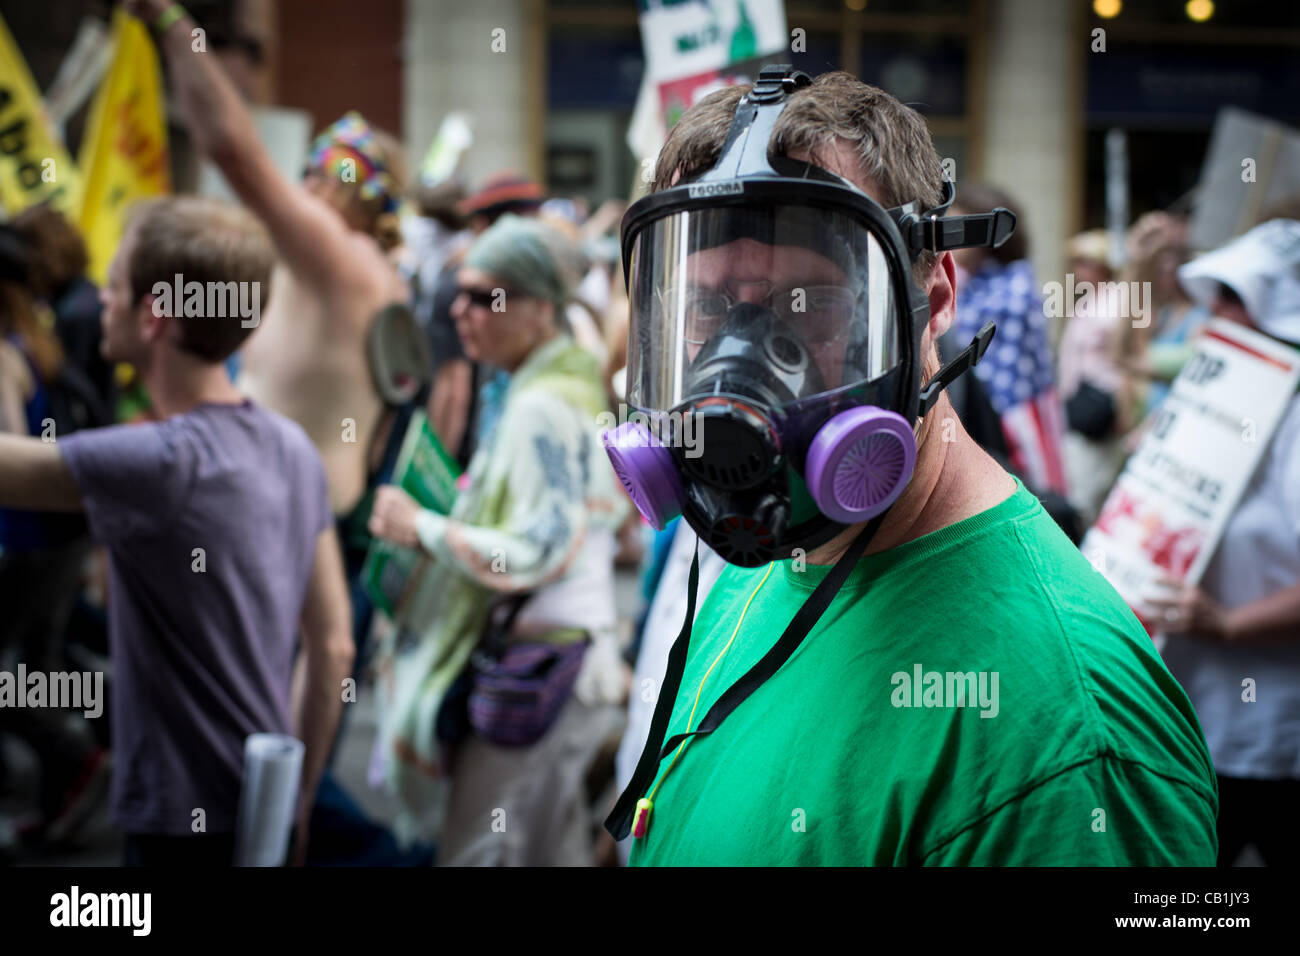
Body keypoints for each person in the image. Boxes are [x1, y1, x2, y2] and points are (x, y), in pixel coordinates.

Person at [603, 67, 1216, 865]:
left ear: (938, 293)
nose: (739, 371)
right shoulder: (773, 558)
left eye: (813, 303)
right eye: (709, 311)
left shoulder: (1064, 737)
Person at [0, 196, 354, 866]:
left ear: (154, 314)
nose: (101, 298)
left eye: (115, 284)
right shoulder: (291, 446)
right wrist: (299, 799)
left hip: (176, 823)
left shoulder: (157, 462)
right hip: (259, 807)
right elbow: (332, 647)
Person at [125, 1, 413, 665]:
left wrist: (170, 21)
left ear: (361, 196)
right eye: (309, 167)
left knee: (248, 710)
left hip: (282, 524)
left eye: (326, 173)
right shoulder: (348, 273)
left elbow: (232, 150)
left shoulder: (344, 261)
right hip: (287, 519)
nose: (306, 182)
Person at [366, 215, 628, 865]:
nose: (460, 310)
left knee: (479, 850)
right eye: (460, 293)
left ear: (540, 308)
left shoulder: (541, 402)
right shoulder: (556, 375)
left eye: (486, 297)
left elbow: (539, 549)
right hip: (567, 661)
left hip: (545, 666)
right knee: (548, 845)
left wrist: (419, 527)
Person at [1149, 217, 1300, 866]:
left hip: (1273, 736)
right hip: (1193, 723)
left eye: (1233, 298)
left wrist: (1232, 623)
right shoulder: (1218, 398)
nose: (1214, 314)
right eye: (1213, 297)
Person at [951, 183, 1068, 498]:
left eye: (959, 227)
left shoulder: (1011, 291)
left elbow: (995, 378)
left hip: (1012, 422)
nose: (948, 239)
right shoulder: (974, 282)